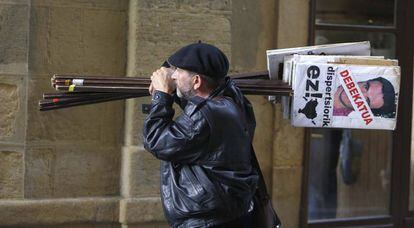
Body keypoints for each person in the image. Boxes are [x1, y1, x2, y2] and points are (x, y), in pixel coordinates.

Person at [143, 43, 259, 228]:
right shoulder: (234, 101)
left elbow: (156, 140)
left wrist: (162, 96)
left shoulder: (203, 116)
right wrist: (172, 79)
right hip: (232, 213)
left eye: (178, 71)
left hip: (208, 221)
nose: (172, 76)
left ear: (197, 81)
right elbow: (196, 101)